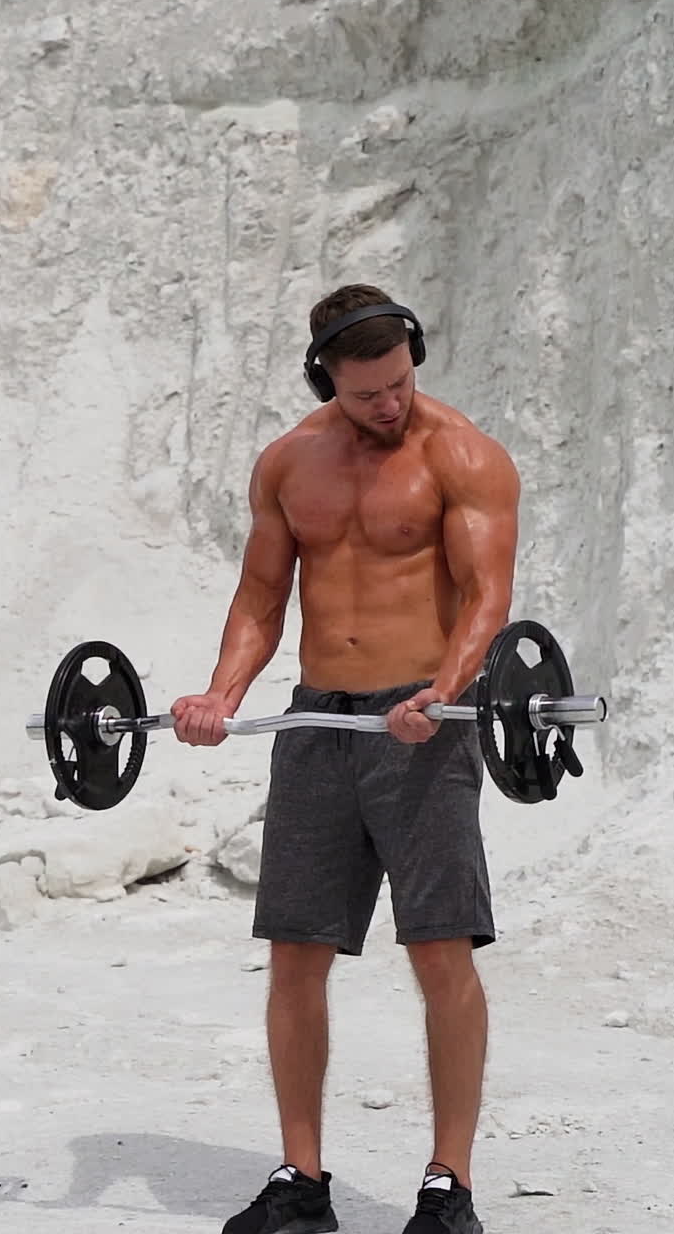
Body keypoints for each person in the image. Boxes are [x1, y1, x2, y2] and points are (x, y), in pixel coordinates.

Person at [171, 285, 520, 1234]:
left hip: (424, 720)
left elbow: (488, 597)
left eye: (400, 383)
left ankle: (450, 1186)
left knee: (440, 949)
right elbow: (259, 598)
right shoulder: (289, 463)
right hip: (318, 724)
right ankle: (301, 1182)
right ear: (326, 375)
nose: (390, 405)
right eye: (368, 393)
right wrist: (220, 696)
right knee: (296, 955)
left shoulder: (461, 454)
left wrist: (441, 694)